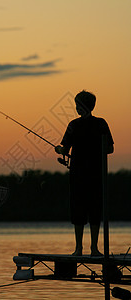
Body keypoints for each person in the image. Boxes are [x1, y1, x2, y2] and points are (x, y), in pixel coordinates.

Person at [55, 90, 114, 256]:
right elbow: (110, 148)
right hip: (96, 174)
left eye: (78, 105)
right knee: (95, 209)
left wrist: (59, 149)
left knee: (79, 209)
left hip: (79, 174)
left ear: (85, 106)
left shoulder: (73, 125)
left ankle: (79, 249)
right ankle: (94, 249)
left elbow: (64, 149)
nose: (76, 108)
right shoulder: (101, 123)